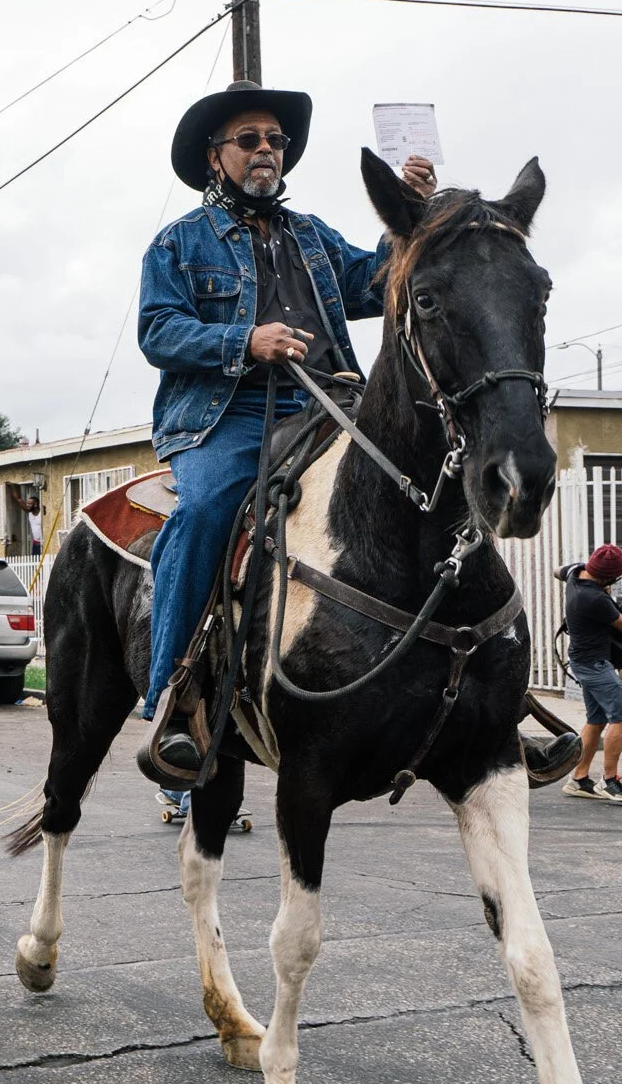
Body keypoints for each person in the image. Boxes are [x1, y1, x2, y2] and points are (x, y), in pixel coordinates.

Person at [134, 80, 437, 789]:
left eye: (275, 140)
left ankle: (487, 687)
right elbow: (158, 329)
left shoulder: (314, 235)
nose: (266, 150)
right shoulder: (178, 243)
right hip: (228, 415)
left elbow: (375, 284)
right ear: (217, 158)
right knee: (208, 510)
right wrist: (247, 339)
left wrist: (410, 215)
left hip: (332, 406)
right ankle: (178, 697)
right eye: (249, 140)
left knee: (429, 488)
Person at [560, 544, 622, 804]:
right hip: (594, 664)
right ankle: (610, 782)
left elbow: (556, 571)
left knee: (596, 720)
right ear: (610, 578)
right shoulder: (595, 599)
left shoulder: (574, 574)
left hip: (581, 659)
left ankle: (579, 779)